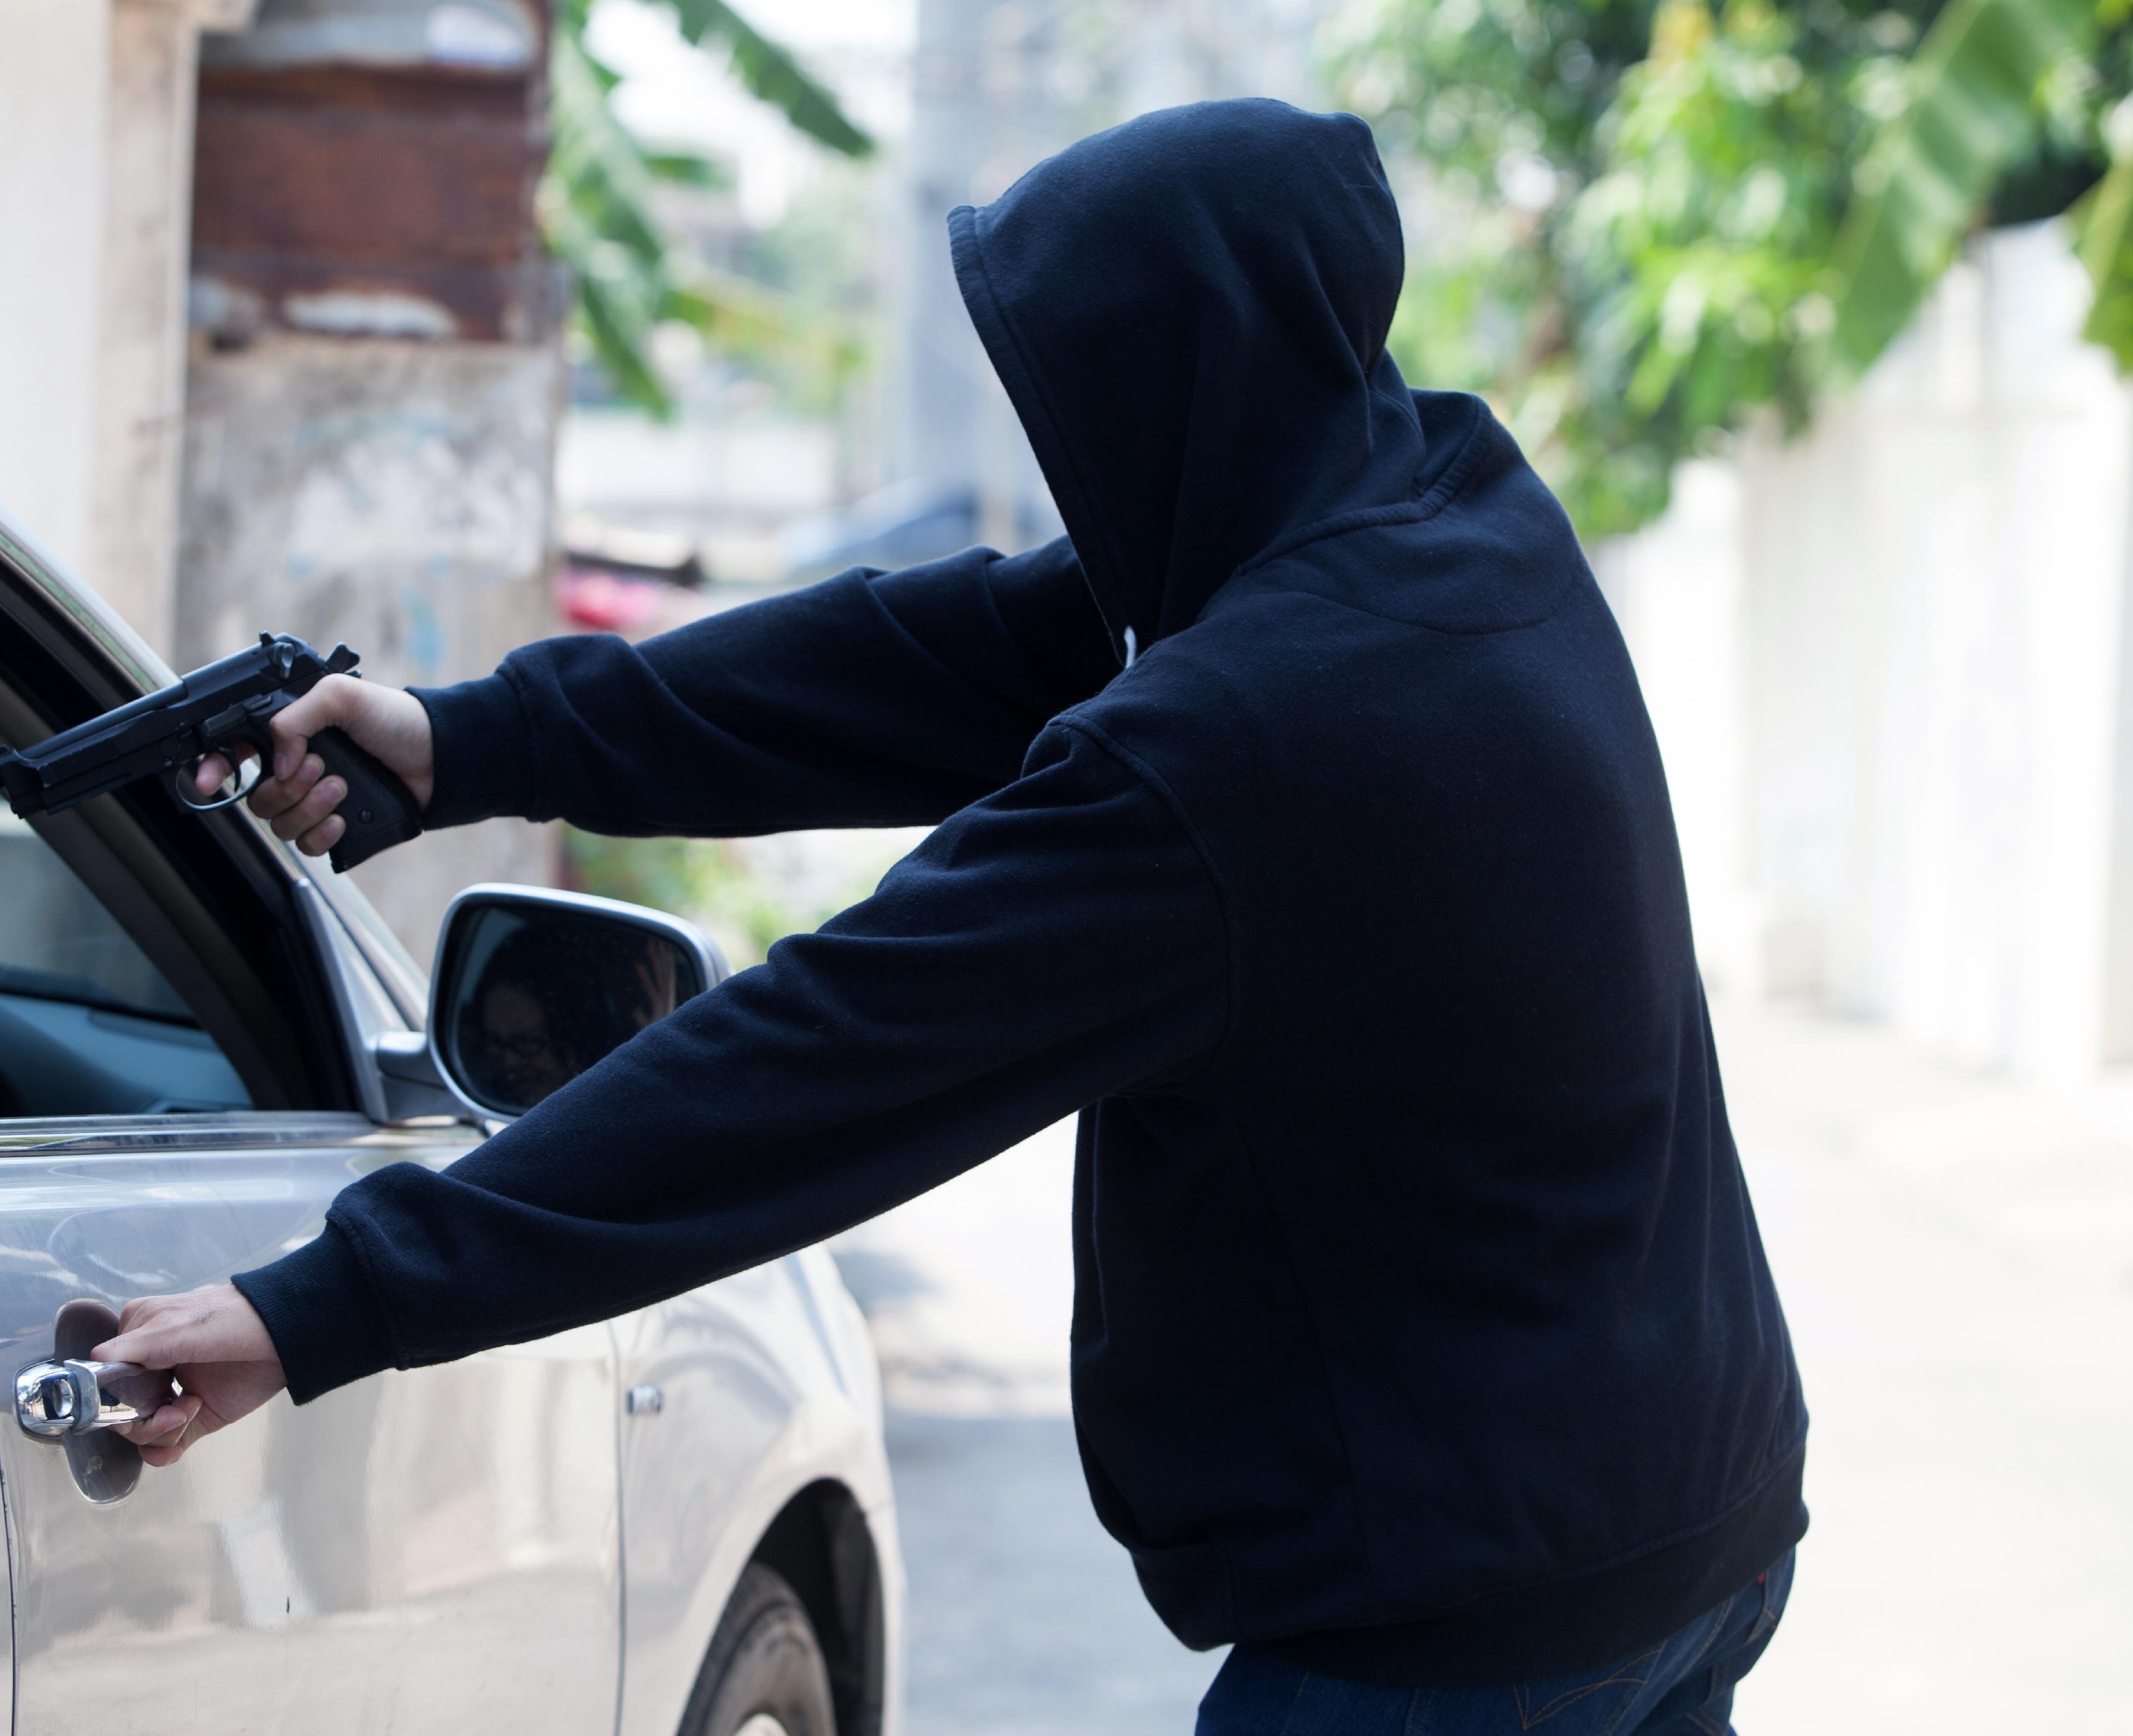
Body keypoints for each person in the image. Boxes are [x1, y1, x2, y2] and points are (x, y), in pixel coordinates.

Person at [97, 100, 1806, 1734]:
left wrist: (323, 1302)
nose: (1066, 453)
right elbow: (943, 654)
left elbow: (820, 1060)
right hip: (1688, 1521)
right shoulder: (1443, 503)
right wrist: (473, 737)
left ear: (1188, 382)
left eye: (1091, 395)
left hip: (1464, 1637)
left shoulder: (1241, 752)